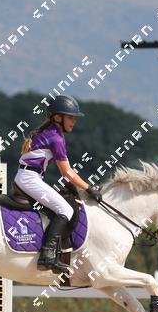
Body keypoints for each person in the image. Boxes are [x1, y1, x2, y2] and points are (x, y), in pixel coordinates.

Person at [16, 95, 101, 273]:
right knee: (66, 209)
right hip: (29, 178)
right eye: (70, 117)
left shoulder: (51, 133)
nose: (74, 122)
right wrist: (88, 188)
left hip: (29, 177)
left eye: (74, 118)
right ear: (57, 117)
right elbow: (67, 172)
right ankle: (47, 255)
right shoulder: (56, 138)